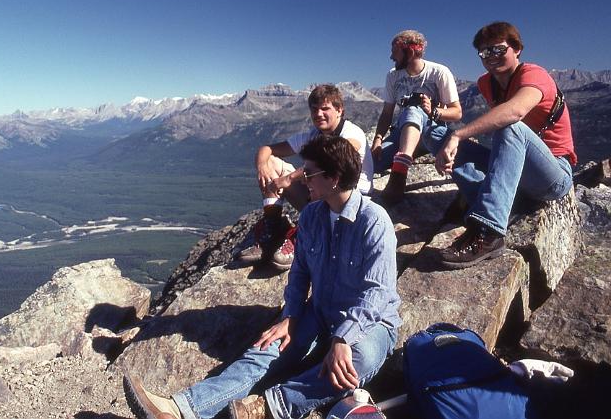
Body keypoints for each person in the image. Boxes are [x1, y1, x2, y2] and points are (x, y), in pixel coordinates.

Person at [124, 135, 400, 419]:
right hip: (319, 312)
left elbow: (377, 293)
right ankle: (181, 409)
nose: (302, 179)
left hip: (370, 324)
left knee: (360, 360)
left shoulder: (374, 222)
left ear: (334, 177)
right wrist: (291, 315)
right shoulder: (312, 216)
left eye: (309, 173)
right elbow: (300, 271)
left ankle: (268, 407)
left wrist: (343, 338)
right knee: (267, 348)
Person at [435, 21, 576, 269]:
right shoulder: (486, 84)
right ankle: (505, 201)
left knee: (510, 126)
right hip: (518, 167)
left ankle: (488, 231)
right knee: (435, 134)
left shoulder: (534, 75)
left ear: (517, 48)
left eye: (498, 49)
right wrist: (449, 139)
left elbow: (515, 112)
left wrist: (459, 136)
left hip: (553, 174)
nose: (491, 57)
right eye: (484, 52)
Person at [238, 84, 373, 270]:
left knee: (325, 179)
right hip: (320, 195)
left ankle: (303, 236)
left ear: (340, 110)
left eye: (325, 108)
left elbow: (335, 159)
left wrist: (290, 178)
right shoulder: (313, 135)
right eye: (314, 109)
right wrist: (262, 167)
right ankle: (274, 227)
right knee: (271, 163)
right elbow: (267, 149)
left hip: (348, 203)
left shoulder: (352, 133)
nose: (319, 114)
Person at [371, 30, 462, 204]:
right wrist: (378, 139)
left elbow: (457, 112)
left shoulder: (439, 72)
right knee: (373, 164)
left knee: (413, 108)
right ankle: (413, 148)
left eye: (395, 52)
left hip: (431, 130)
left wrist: (433, 111)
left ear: (410, 52)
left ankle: (399, 172)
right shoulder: (393, 75)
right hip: (402, 131)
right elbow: (387, 113)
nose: (391, 56)